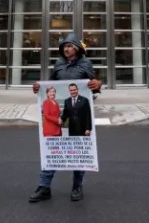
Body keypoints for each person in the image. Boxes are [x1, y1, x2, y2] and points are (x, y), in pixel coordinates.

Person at [29, 33, 101, 203]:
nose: (66, 49)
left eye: (69, 46)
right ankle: (44, 187)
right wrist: (39, 88)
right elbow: (51, 85)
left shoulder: (86, 63)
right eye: (64, 47)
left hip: (80, 115)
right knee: (53, 149)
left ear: (76, 48)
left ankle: (77, 186)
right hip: (59, 114)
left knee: (77, 151)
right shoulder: (59, 64)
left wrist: (98, 85)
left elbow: (94, 86)